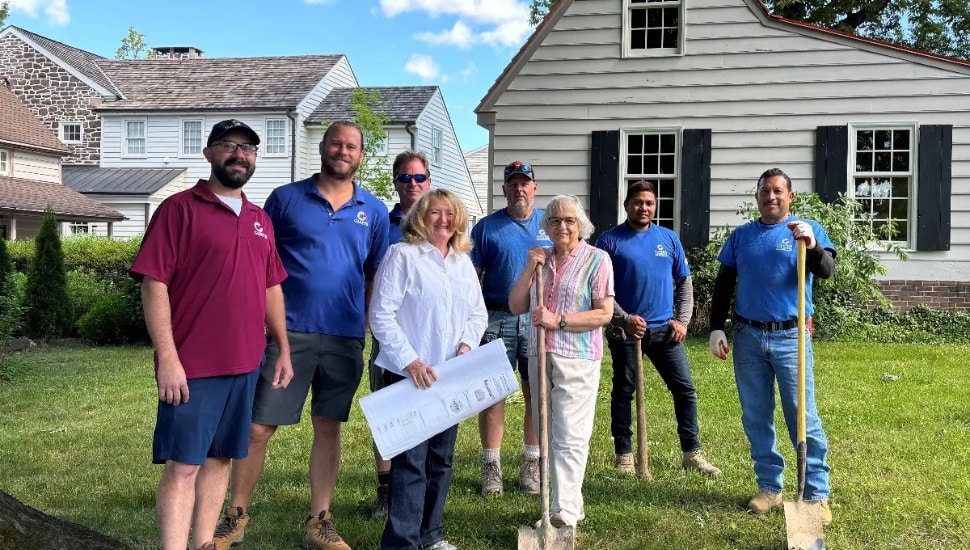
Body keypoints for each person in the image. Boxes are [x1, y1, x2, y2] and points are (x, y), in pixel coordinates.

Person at [213, 121, 389, 550]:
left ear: (360, 155)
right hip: (287, 333)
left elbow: (376, 273)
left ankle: (320, 521)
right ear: (323, 149)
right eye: (335, 144)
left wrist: (364, 320)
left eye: (351, 146)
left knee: (328, 425)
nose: (342, 151)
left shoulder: (375, 210)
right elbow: (259, 260)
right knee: (260, 427)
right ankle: (234, 516)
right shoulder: (287, 199)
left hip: (344, 335)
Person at [130, 119, 292, 550]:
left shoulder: (260, 219)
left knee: (220, 459)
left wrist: (283, 349)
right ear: (208, 153)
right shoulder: (179, 209)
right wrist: (168, 358)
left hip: (245, 362)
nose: (239, 155)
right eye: (228, 145)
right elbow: (153, 283)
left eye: (248, 148)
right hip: (193, 367)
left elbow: (270, 286)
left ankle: (205, 543)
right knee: (183, 467)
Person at [708, 168, 835, 525]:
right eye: (765, 191)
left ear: (790, 196)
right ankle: (769, 487)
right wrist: (717, 327)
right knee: (756, 414)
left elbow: (825, 271)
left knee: (802, 415)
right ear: (757, 198)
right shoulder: (742, 236)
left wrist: (813, 246)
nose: (771, 197)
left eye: (778, 191)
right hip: (748, 336)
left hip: (791, 336)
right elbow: (724, 283)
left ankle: (815, 494)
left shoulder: (805, 230)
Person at [370, 188, 488, 550]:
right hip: (410, 376)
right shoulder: (402, 255)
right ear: (421, 217)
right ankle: (402, 542)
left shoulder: (461, 262)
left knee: (441, 460)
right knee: (410, 464)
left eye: (450, 214)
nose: (443, 220)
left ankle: (431, 535)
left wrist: (466, 347)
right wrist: (411, 361)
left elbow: (477, 313)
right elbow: (380, 314)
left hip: (448, 377)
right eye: (435, 213)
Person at [595, 181, 721, 477]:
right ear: (626, 205)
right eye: (638, 202)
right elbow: (599, 289)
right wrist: (623, 318)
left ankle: (692, 452)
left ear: (655, 207)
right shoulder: (609, 241)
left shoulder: (668, 238)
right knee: (624, 391)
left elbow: (684, 282)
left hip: (666, 331)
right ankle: (624, 456)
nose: (644, 208)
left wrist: (682, 320)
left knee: (684, 389)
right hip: (626, 331)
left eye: (649, 203)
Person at [508, 194, 614, 528]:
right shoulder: (542, 260)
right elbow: (515, 305)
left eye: (569, 220)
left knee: (570, 433)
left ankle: (564, 512)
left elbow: (604, 313)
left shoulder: (598, 260)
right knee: (546, 432)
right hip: (539, 354)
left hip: (577, 356)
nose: (562, 226)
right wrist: (529, 267)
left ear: (581, 224)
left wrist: (559, 320)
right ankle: (569, 502)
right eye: (554, 220)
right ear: (547, 227)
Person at [470, 161, 550, 496]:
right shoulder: (487, 228)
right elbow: (472, 280)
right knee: (494, 393)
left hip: (537, 318)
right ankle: (492, 467)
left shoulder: (550, 223)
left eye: (525, 183)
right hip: (496, 319)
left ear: (535, 188)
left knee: (536, 393)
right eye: (512, 184)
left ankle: (531, 465)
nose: (519, 189)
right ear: (504, 190)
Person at [367, 150, 432, 519]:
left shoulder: (441, 221)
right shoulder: (383, 222)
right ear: (396, 183)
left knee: (429, 411)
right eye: (405, 178)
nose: (413, 185)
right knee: (388, 410)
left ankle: (421, 487)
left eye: (419, 178)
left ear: (429, 181)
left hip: (431, 337)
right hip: (390, 336)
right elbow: (371, 272)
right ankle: (386, 489)